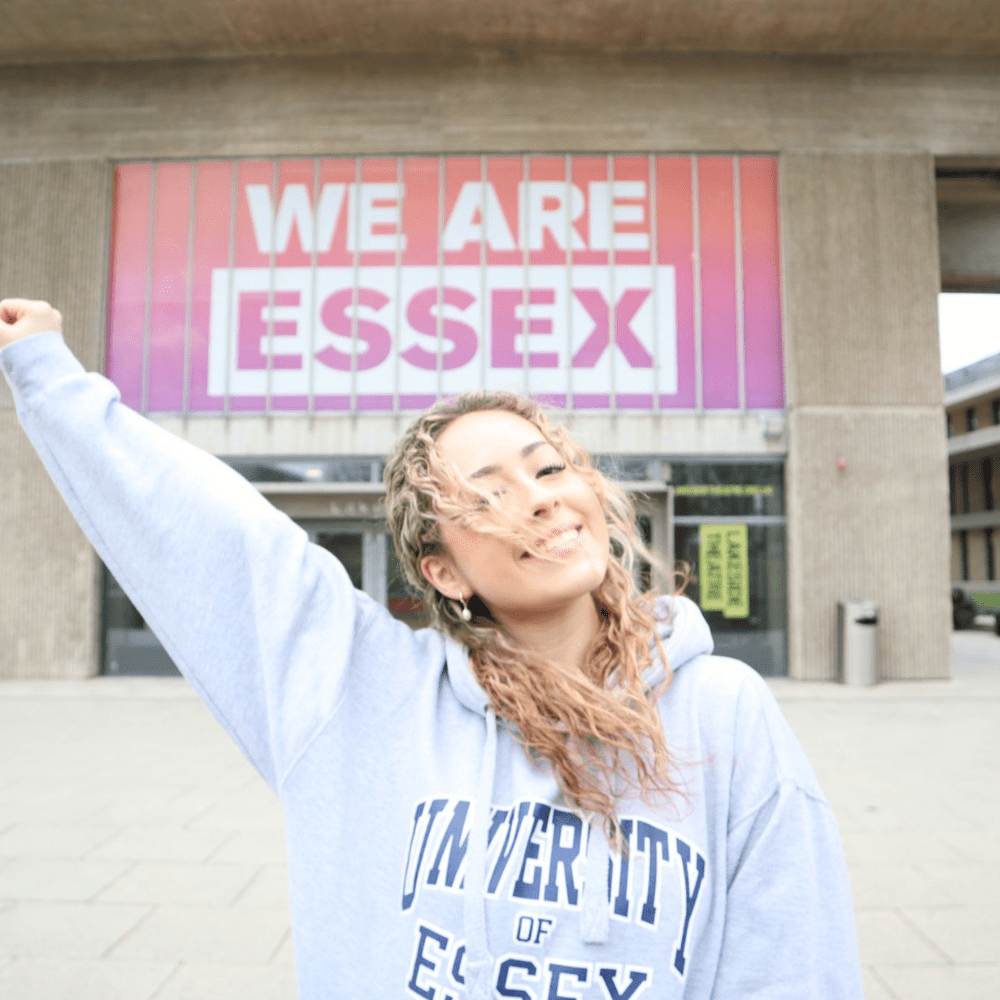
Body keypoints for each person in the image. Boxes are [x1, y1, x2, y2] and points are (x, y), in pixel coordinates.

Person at [0, 297, 864, 999]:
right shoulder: (362, 697)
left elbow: (791, 963)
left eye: (550, 469)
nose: (541, 501)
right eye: (489, 495)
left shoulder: (726, 709)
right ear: (443, 571)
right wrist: (49, 373)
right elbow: (221, 545)